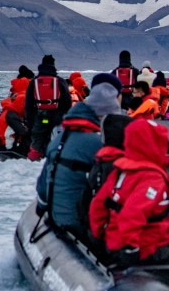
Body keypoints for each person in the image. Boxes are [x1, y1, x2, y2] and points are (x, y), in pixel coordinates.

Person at [89, 120, 169, 279]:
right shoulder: (151, 178)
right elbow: (132, 214)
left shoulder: (121, 171)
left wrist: (100, 237)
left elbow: (97, 207)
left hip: (115, 243)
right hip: (144, 248)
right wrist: (131, 249)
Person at [35, 73, 123, 239]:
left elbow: (42, 192)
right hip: (80, 228)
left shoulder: (60, 138)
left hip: (57, 221)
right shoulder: (100, 145)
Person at [77, 113, 134, 249]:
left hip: (94, 230)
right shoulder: (121, 167)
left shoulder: (101, 161)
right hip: (109, 237)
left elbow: (86, 202)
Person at [25, 54, 72, 160]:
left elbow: (28, 104)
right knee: (58, 139)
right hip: (57, 117)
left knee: (38, 140)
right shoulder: (60, 81)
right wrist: (65, 115)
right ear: (53, 65)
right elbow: (67, 100)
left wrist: (30, 122)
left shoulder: (34, 82)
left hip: (41, 116)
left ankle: (33, 162)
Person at [0, 89, 29, 156]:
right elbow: (23, 132)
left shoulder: (7, 112)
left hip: (3, 143)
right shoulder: (12, 116)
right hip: (9, 146)